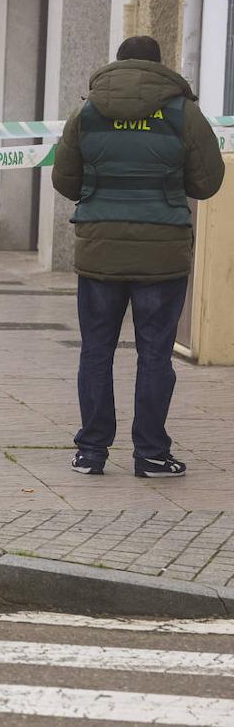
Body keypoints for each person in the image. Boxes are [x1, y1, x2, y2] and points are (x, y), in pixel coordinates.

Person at [52, 35, 224, 479]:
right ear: (158, 67)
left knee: (95, 352)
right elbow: (206, 184)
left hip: (100, 252)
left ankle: (91, 453)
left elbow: (65, 181)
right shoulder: (184, 114)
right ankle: (150, 455)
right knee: (154, 355)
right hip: (162, 254)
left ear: (118, 64)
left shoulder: (86, 112)